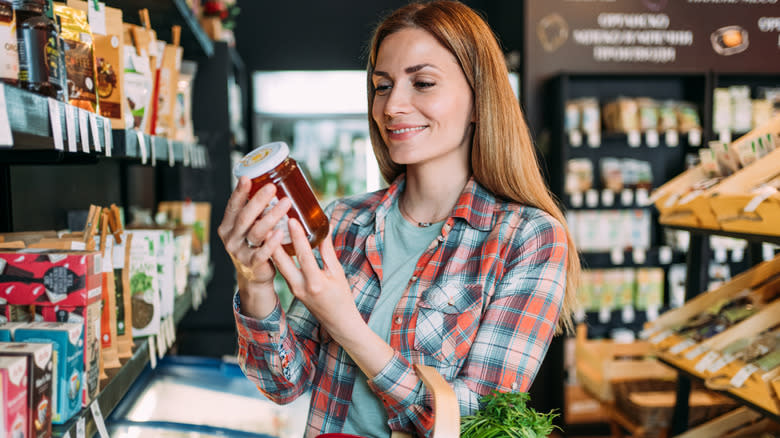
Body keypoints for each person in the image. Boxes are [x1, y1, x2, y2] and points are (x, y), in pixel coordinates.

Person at [218, 1, 581, 436]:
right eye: (383, 86)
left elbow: (479, 425)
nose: (392, 107)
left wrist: (348, 327)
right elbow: (284, 383)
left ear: (479, 102)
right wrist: (254, 285)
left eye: (423, 83)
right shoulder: (345, 221)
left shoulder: (528, 239)